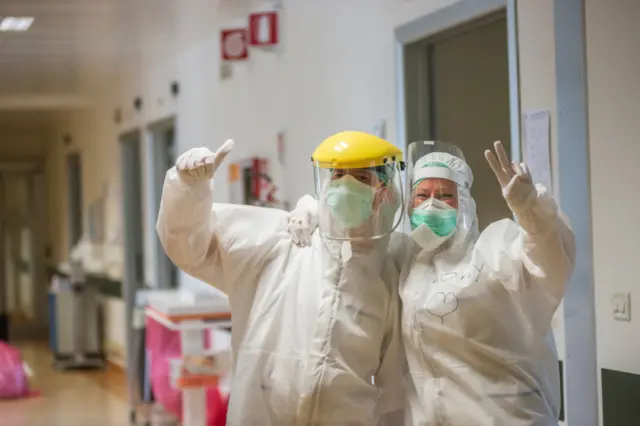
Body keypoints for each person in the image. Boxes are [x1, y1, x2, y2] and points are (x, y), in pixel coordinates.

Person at [289, 140, 575, 426]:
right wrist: (317, 208)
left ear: (464, 201)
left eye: (445, 195)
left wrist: (532, 212)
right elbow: (356, 246)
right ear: (410, 203)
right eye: (422, 195)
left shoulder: (494, 250)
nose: (431, 204)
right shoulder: (407, 259)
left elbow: (548, 261)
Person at [157, 131, 406, 425]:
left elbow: (394, 390)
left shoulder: (390, 272)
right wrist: (188, 191)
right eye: (338, 175)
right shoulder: (283, 241)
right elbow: (193, 248)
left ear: (384, 193)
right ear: (325, 184)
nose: (347, 186)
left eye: (362, 178)